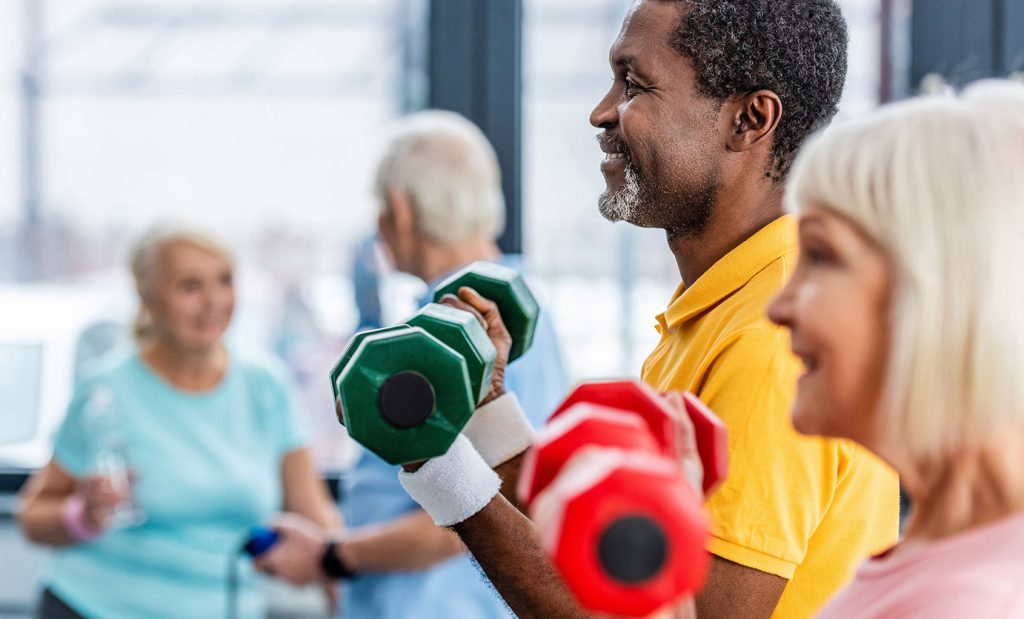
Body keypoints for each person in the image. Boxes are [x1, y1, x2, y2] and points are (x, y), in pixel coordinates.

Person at [388, 1, 898, 618]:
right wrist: (487, 409)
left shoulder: (775, 337)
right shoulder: (727, 304)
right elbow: (609, 553)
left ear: (748, 119)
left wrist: (438, 465)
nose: (601, 112)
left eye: (634, 83)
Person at [256, 111, 568, 618]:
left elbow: (478, 506)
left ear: (398, 213)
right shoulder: (475, 314)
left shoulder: (484, 327)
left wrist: (332, 557)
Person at [767, 80, 1024, 617]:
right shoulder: (944, 557)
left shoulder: (972, 604)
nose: (778, 308)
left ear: (943, 293)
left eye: (820, 255)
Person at [16, 228, 340, 619]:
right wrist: (81, 515)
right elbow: (33, 516)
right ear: (148, 301)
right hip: (95, 607)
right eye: (190, 286)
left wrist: (346, 580)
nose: (214, 302)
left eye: (224, 281)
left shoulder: (267, 386)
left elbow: (316, 516)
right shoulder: (105, 390)